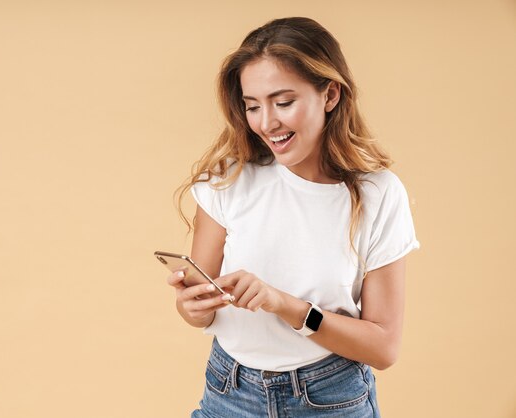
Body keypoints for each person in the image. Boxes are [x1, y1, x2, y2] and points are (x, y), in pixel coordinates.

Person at [166, 17, 420, 418]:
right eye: (253, 106)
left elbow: (383, 347)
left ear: (330, 94)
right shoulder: (228, 180)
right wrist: (192, 308)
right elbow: (202, 310)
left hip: (330, 398)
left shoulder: (378, 195)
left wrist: (285, 305)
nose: (267, 123)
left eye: (283, 102)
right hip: (228, 391)